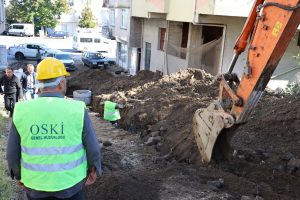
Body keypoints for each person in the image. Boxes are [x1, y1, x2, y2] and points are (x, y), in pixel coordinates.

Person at [7, 57, 102, 200]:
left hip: (35, 186)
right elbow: (93, 147)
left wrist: (18, 174)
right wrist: (93, 169)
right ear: (61, 83)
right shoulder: (77, 109)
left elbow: (12, 153)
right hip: (72, 185)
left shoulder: (21, 110)